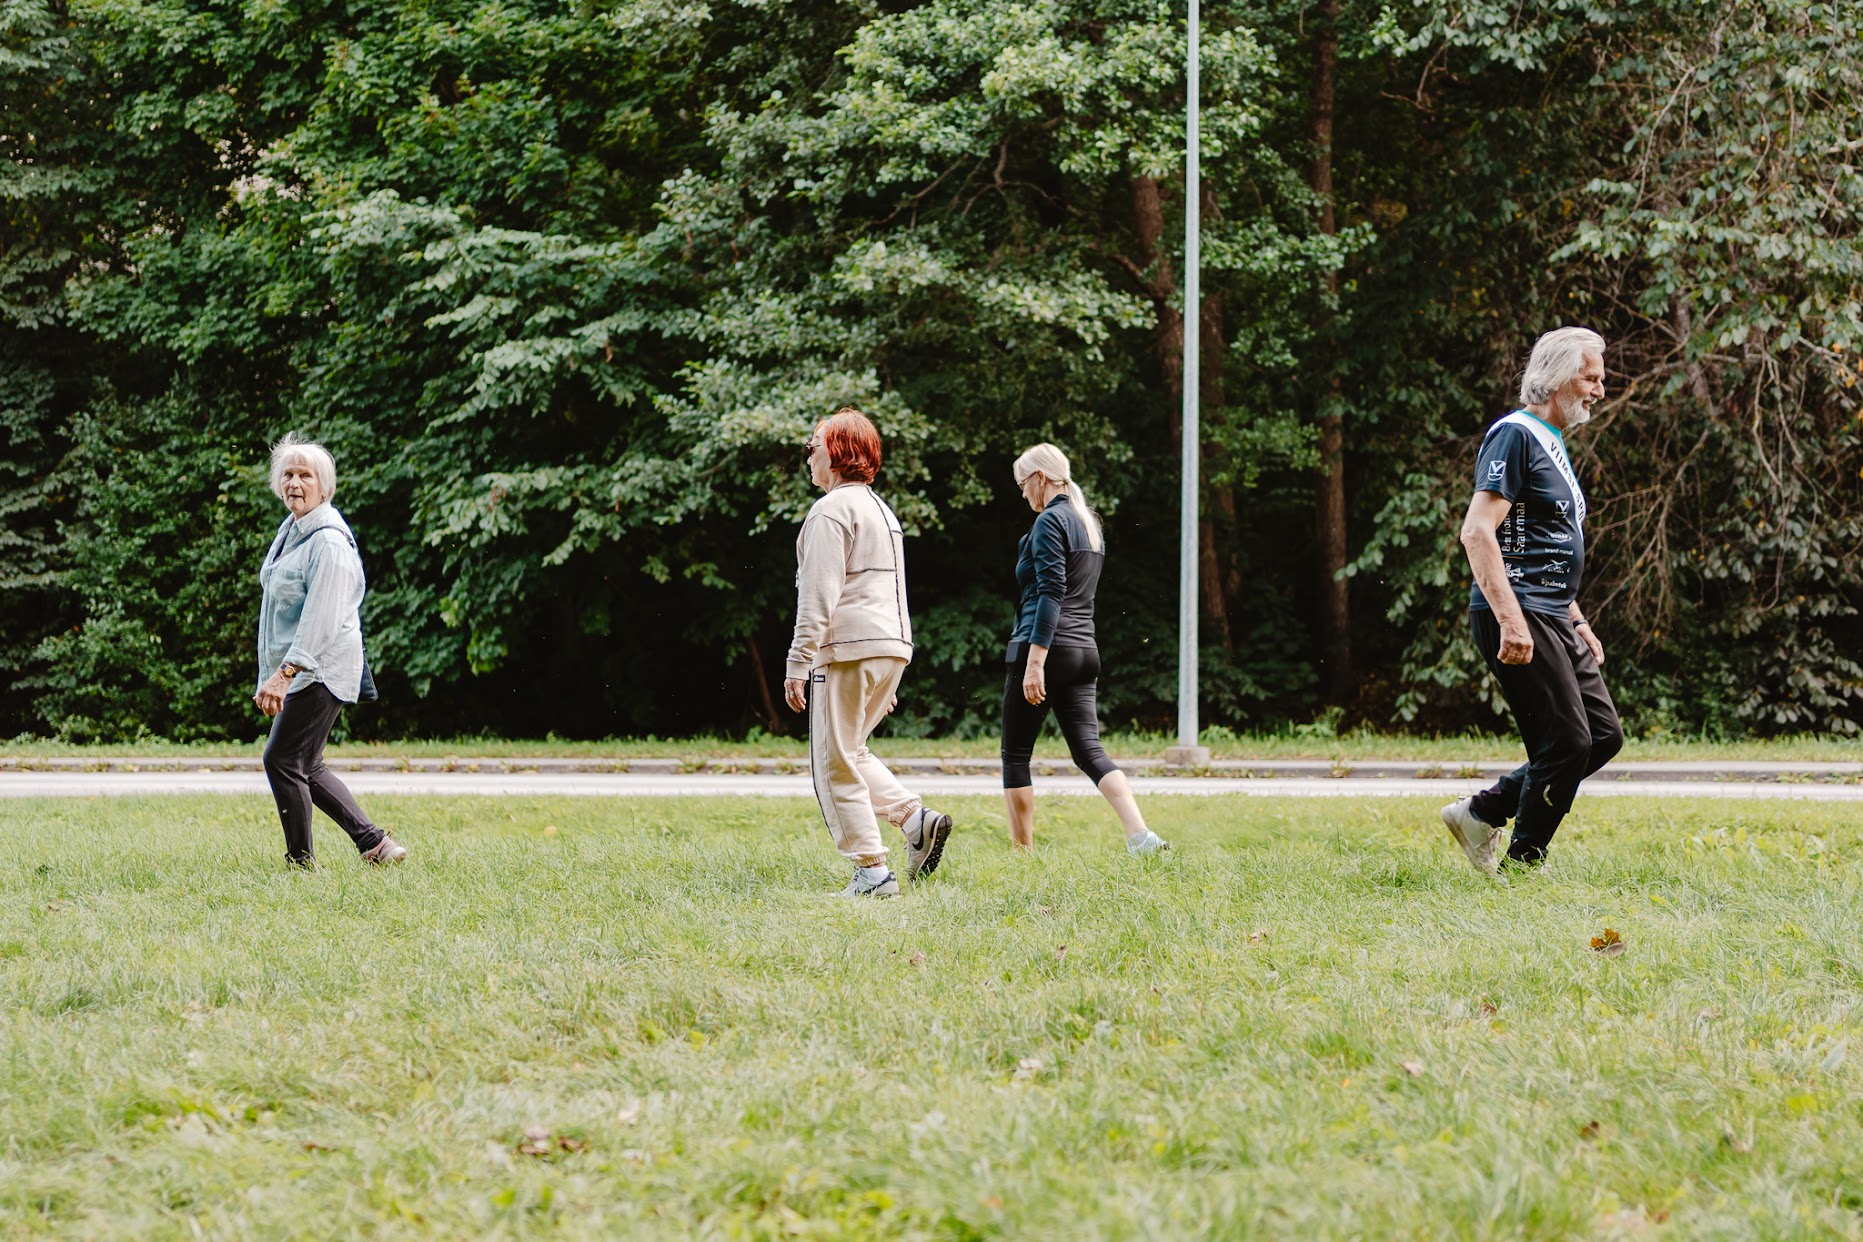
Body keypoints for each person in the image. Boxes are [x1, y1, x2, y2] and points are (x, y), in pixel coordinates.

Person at [1442, 327, 1624, 875]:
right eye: (1591, 378)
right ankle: (1524, 867)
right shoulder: (1515, 435)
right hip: (1519, 610)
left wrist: (1578, 619)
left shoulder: (1552, 442)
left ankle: (1482, 812)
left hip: (1553, 611)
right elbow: (1478, 532)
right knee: (1566, 741)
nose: (1600, 390)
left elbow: (1543, 544)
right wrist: (1511, 621)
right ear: (1559, 377)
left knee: (1602, 736)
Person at [783, 407, 953, 897]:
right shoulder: (882, 510)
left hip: (848, 649)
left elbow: (818, 595)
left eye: (812, 448)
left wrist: (798, 661)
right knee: (853, 750)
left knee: (832, 762)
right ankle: (914, 819)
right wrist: (885, 669)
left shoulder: (830, 510)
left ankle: (872, 872)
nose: (808, 458)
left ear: (836, 453)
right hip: (890, 648)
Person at [1000, 444, 1167, 856]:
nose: (1022, 493)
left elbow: (1051, 592)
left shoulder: (1049, 521)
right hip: (1083, 651)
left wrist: (1034, 663)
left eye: (1023, 483)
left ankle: (1022, 856)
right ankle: (1141, 836)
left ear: (1040, 477)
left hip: (1043, 647)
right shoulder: (1087, 523)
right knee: (1090, 752)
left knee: (1015, 755)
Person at [255, 434, 406, 868]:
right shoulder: (292, 530)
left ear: (324, 486)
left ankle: (300, 864)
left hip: (319, 668)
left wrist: (284, 674)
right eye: (288, 474)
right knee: (307, 763)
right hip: (302, 668)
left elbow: (321, 618)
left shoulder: (329, 543)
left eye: (305, 475)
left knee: (282, 759)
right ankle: (376, 845)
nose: (294, 483)